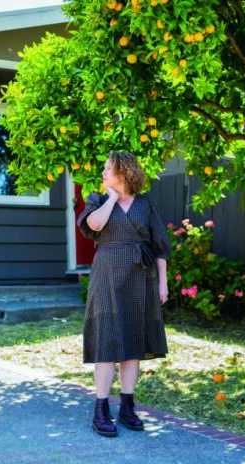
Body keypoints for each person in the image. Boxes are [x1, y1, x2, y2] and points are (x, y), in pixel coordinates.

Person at [76, 151, 171, 438]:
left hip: (140, 277)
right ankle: (101, 408)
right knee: (107, 338)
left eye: (109, 169)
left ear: (124, 171)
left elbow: (160, 246)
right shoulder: (97, 199)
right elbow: (93, 225)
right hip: (107, 276)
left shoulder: (146, 205)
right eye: (103, 168)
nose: (103, 173)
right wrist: (113, 198)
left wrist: (162, 284)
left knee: (133, 341)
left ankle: (127, 406)